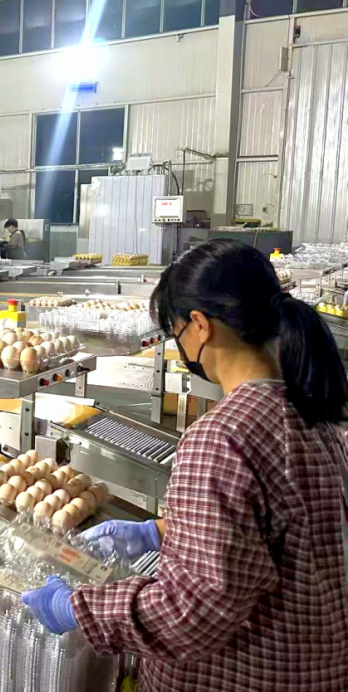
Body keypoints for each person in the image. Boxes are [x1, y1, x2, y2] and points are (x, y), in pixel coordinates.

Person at [22, 239, 348, 691]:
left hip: (241, 675)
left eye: (176, 332)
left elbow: (191, 614)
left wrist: (78, 609)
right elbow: (286, 530)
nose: (178, 346)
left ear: (200, 325)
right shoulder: (315, 409)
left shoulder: (223, 437)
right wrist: (162, 531)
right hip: (312, 664)